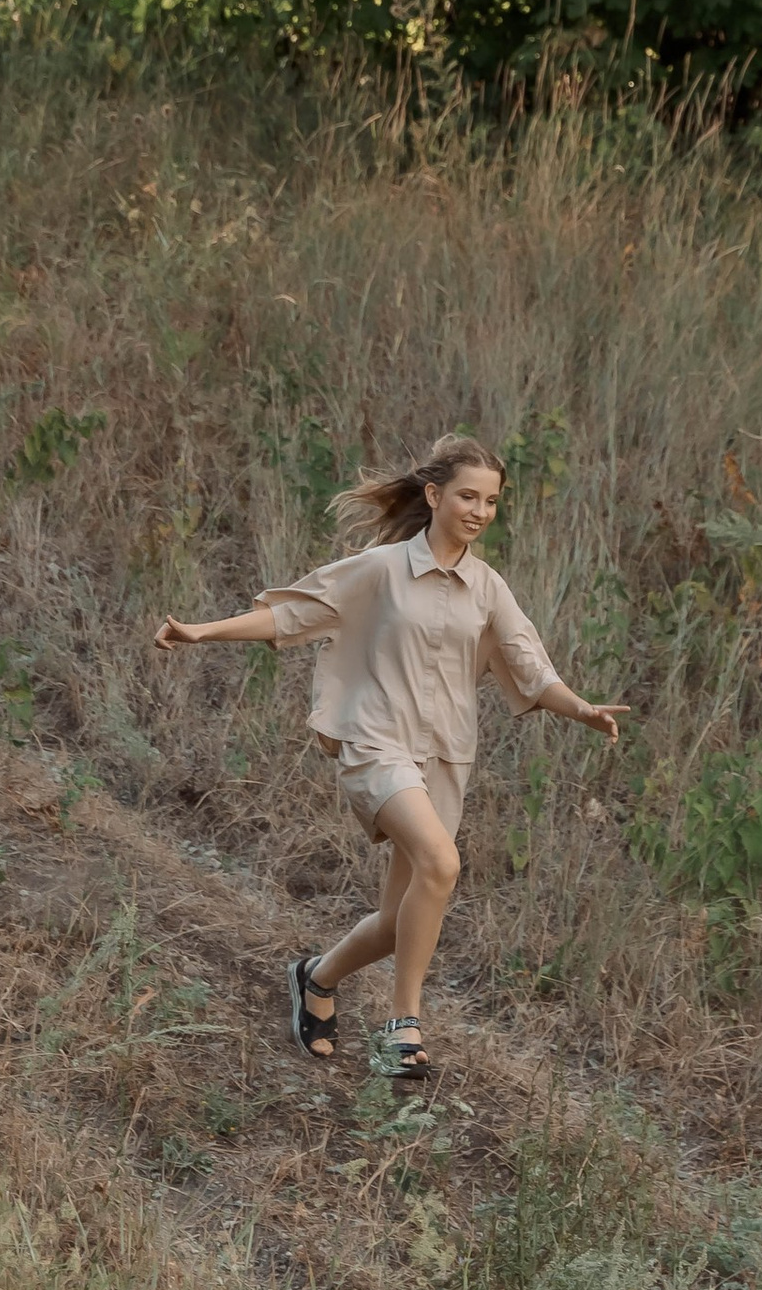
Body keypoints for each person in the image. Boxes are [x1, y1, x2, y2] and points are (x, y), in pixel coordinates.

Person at [152, 431, 627, 1089]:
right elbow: (295, 613)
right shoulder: (381, 569)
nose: (480, 511)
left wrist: (579, 708)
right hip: (377, 742)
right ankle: (403, 1025)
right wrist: (203, 631)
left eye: (490, 501)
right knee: (442, 862)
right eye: (467, 495)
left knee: (397, 918)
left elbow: (528, 664)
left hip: (445, 757)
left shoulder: (488, 588)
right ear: (434, 495)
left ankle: (315, 978)